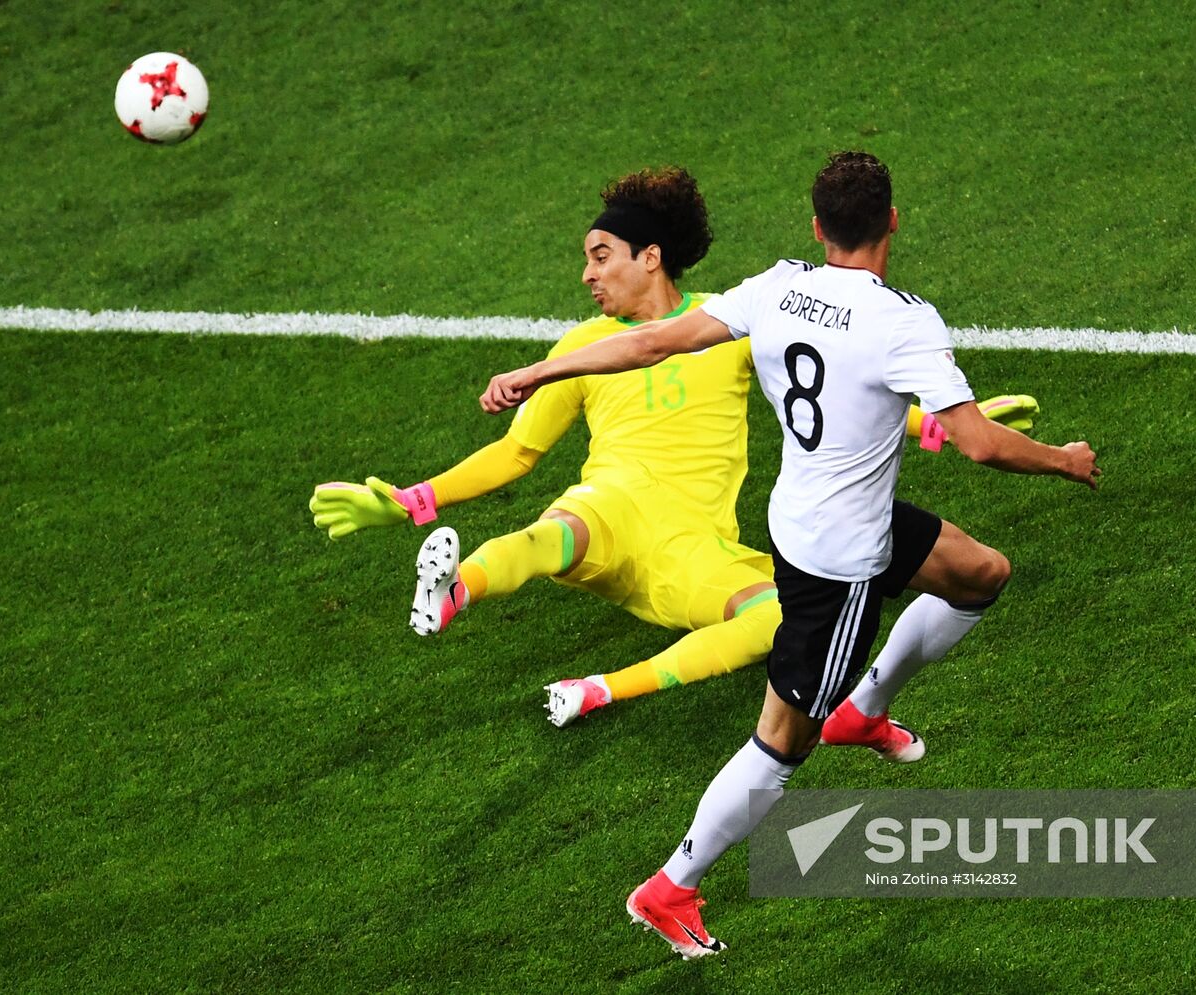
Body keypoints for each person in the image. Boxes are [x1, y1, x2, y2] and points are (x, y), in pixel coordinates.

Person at [480, 151, 1101, 958]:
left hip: (810, 516)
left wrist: (539, 369)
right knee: (780, 744)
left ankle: (864, 709)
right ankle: (671, 886)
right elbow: (978, 443)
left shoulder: (779, 285)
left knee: (980, 572)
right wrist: (1062, 458)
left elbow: (652, 343)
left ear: (816, 227)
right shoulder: (902, 319)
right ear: (892, 223)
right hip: (841, 562)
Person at [310, 166, 1041, 730]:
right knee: (554, 531)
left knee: (778, 618)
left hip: (692, 548)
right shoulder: (582, 349)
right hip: (611, 512)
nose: (588, 274)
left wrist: (944, 423)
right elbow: (516, 454)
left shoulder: (728, 325)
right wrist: (417, 499)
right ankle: (454, 589)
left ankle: (600, 688)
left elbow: (842, 394)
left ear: (651, 256)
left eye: (600, 255)